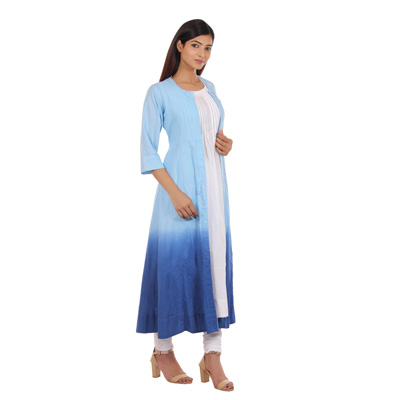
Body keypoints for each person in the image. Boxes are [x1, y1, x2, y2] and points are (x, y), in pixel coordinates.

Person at [136, 19, 235, 391]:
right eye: (196, 45)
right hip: (178, 194)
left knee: (215, 266)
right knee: (173, 267)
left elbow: (211, 137)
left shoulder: (210, 89)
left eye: (208, 48)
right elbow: (149, 151)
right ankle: (162, 350)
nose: (202, 54)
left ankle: (213, 354)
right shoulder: (159, 93)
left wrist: (225, 144)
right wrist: (175, 194)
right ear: (179, 45)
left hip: (215, 193)